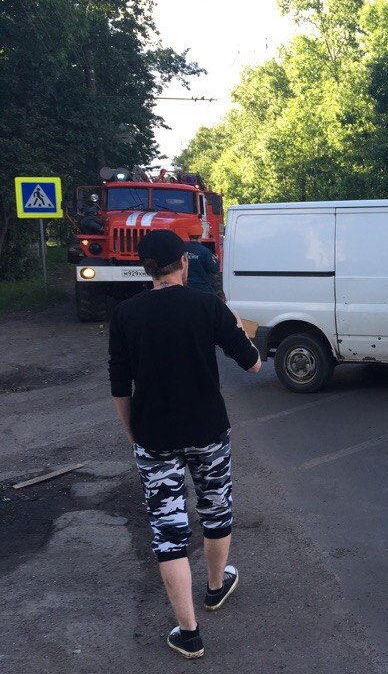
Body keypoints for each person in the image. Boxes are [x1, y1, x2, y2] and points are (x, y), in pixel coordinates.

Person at [108, 229, 262, 659]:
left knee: (168, 530)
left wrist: (132, 431)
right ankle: (215, 588)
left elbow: (120, 383)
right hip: (208, 430)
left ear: (147, 270)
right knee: (216, 508)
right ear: (184, 262)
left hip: (154, 436)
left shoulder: (125, 315)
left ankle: (189, 632)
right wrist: (233, 325)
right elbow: (253, 364)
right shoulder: (207, 306)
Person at [185, 224, 221, 296]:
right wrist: (216, 261)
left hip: (186, 287)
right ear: (200, 236)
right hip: (203, 288)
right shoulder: (205, 251)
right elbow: (214, 269)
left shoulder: (182, 249)